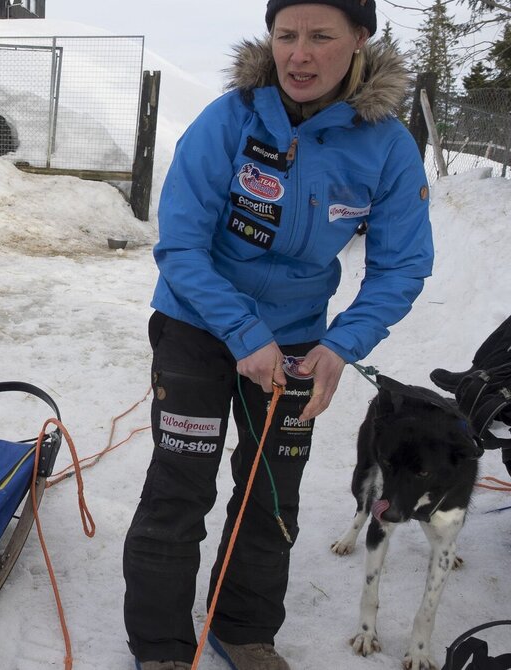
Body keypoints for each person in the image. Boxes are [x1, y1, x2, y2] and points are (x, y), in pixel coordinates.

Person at [122, 2, 433, 669]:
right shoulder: (229, 119)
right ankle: (162, 646)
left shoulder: (385, 144)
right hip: (198, 325)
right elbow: (179, 244)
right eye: (286, 35)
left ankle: (242, 628)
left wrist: (341, 344)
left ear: (358, 40)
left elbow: (403, 262)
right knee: (181, 484)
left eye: (321, 37)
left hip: (296, 343)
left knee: (271, 492)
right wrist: (241, 332)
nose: (299, 54)